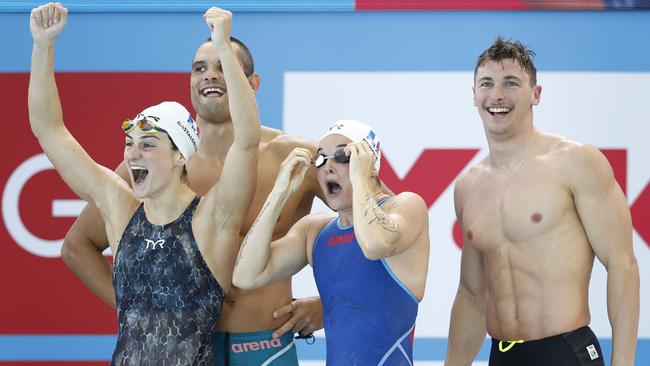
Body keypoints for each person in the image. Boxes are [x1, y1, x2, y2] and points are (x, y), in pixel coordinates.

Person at [59, 6, 329, 365]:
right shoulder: (158, 163)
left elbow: (376, 218)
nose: (209, 76)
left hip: (266, 347)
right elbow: (77, 246)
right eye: (200, 68)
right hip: (185, 352)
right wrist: (143, 310)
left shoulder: (296, 157)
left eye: (222, 66)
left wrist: (331, 305)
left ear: (252, 84)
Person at [29, 4, 260, 364]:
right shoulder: (120, 210)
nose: (133, 154)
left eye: (148, 144)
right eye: (129, 143)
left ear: (180, 154)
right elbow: (50, 130)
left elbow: (247, 140)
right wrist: (43, 47)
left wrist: (223, 47)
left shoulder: (211, 219)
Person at [444, 37, 640, 366]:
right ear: (474, 95)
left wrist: (624, 363)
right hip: (502, 354)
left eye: (511, 83)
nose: (497, 96)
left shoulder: (576, 162)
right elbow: (472, 294)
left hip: (564, 351)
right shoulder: (467, 187)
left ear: (536, 94)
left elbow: (622, 265)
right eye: (486, 84)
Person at [233, 120, 430, 365]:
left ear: (368, 163)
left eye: (342, 156)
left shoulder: (407, 206)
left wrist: (361, 181)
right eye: (321, 159)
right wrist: (279, 194)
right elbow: (246, 275)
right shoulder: (316, 232)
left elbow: (373, 245)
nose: (328, 166)